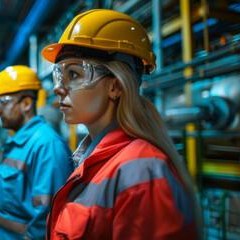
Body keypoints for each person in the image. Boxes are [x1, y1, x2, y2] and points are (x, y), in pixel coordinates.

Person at [41, 9, 202, 240]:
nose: (58, 88)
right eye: (60, 75)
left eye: (74, 74)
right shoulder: (92, 161)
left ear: (115, 87)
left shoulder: (141, 171)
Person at [0, 65, 74, 240]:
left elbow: (47, 221)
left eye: (2, 102)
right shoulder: (19, 142)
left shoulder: (47, 146)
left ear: (26, 103)